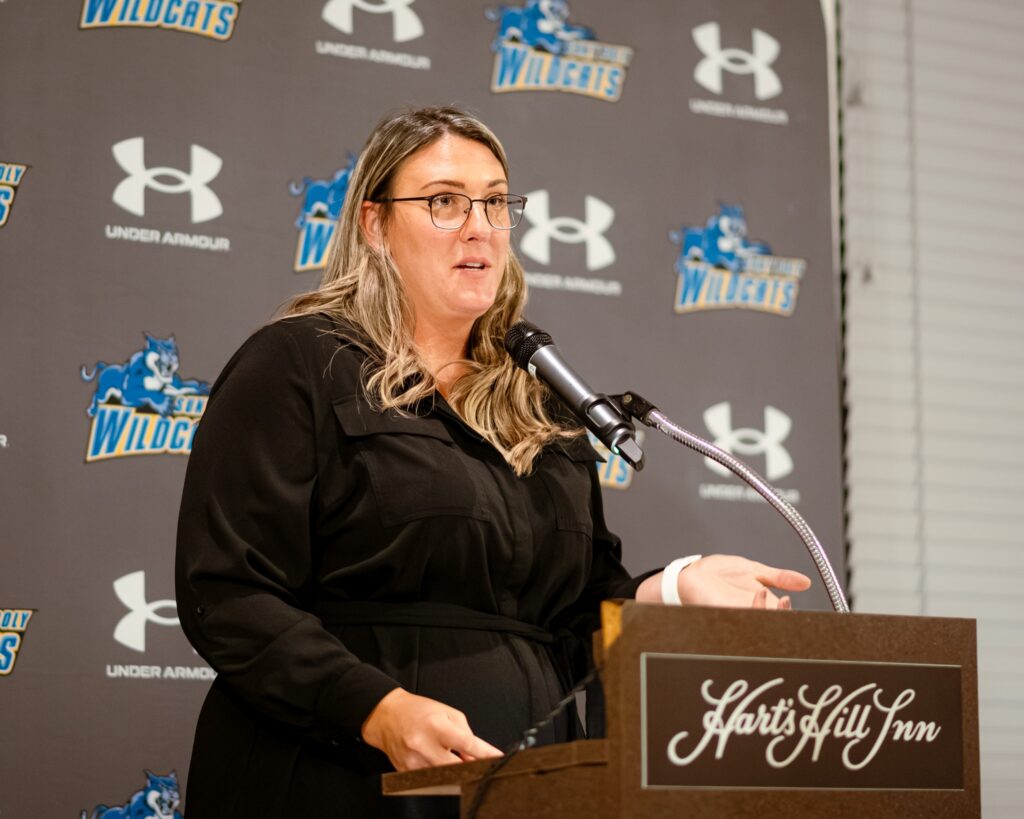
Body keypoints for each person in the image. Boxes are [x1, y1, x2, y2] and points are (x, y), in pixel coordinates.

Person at [175, 106, 811, 818]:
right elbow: (228, 592)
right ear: (374, 225)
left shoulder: (541, 401)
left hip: (523, 787)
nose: (480, 224)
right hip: (334, 777)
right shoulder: (298, 362)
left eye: (496, 201)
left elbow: (573, 622)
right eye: (444, 201)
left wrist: (676, 588)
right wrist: (378, 708)